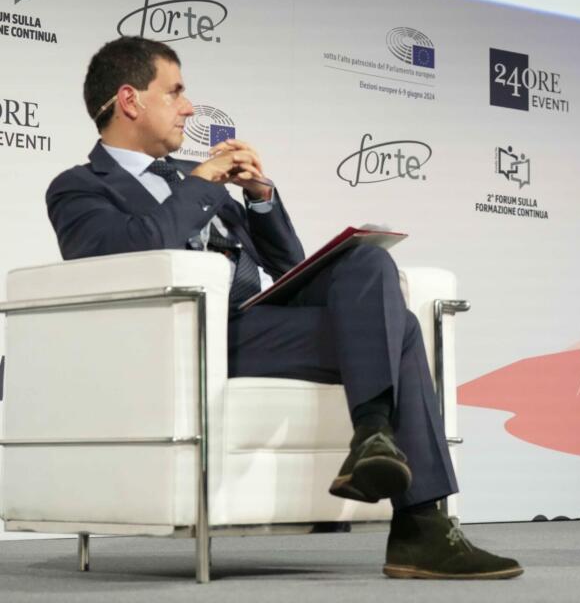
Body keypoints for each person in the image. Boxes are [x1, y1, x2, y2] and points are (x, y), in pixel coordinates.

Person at [46, 36, 522, 580]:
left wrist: (260, 197)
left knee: (368, 264)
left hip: (264, 317)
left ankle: (373, 435)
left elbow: (291, 265)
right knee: (404, 331)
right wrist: (200, 185)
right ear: (130, 100)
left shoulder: (192, 178)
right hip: (201, 336)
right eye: (174, 92)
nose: (189, 107)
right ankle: (421, 528)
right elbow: (128, 253)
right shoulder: (79, 188)